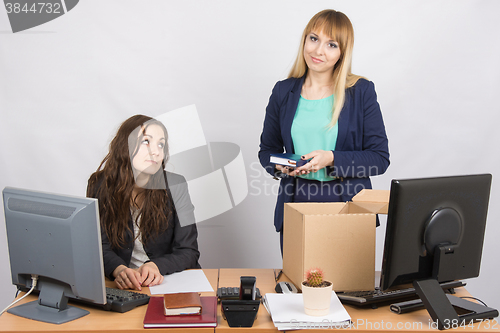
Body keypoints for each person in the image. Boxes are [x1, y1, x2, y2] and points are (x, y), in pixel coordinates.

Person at [258, 9, 390, 253]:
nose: (318, 50)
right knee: (298, 287)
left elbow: (379, 159)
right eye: (313, 38)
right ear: (305, 40)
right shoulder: (282, 92)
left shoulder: (361, 91)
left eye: (331, 44)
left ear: (342, 52)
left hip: (347, 201)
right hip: (296, 199)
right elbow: (267, 151)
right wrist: (282, 164)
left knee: (348, 289)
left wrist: (331, 158)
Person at [87, 115, 201, 290]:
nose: (155, 151)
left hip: (168, 281)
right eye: (146, 142)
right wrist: (119, 270)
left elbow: (188, 250)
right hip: (123, 286)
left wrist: (155, 266)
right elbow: (98, 245)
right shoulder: (100, 185)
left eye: (161, 144)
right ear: (125, 145)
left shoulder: (176, 185)